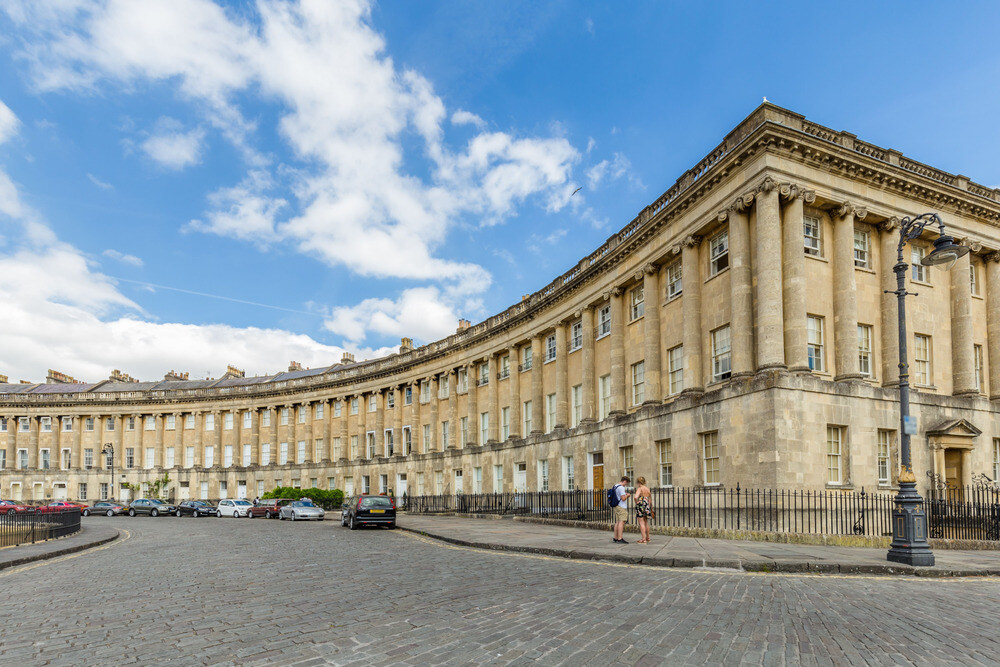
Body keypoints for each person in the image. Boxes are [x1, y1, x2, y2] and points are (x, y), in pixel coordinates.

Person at [611, 476, 631, 544]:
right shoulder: (621, 487)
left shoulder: (615, 486)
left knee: (618, 522)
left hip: (616, 506)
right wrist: (627, 495)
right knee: (622, 522)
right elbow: (623, 498)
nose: (626, 485)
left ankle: (615, 538)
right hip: (621, 506)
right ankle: (620, 538)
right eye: (626, 483)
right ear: (624, 481)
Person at [633, 476, 653, 544]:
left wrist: (636, 502)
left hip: (641, 505)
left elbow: (636, 497)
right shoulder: (647, 489)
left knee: (641, 522)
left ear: (638, 482)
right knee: (646, 522)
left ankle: (643, 539)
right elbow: (650, 499)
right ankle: (648, 537)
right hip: (646, 505)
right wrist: (649, 507)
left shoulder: (640, 488)